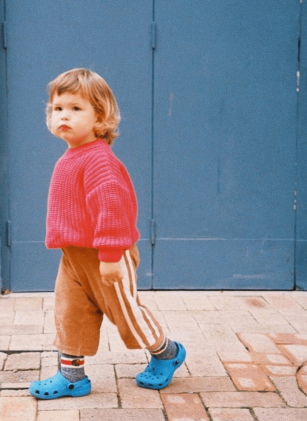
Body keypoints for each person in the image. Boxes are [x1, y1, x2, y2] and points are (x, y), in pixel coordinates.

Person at [29, 68, 186, 400]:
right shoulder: (70, 158)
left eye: (76, 109)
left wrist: (111, 257)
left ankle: (167, 353)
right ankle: (72, 376)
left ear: (99, 116)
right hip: (73, 256)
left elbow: (113, 210)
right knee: (70, 312)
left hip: (107, 255)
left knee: (125, 313)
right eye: (58, 109)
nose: (64, 116)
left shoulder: (99, 161)